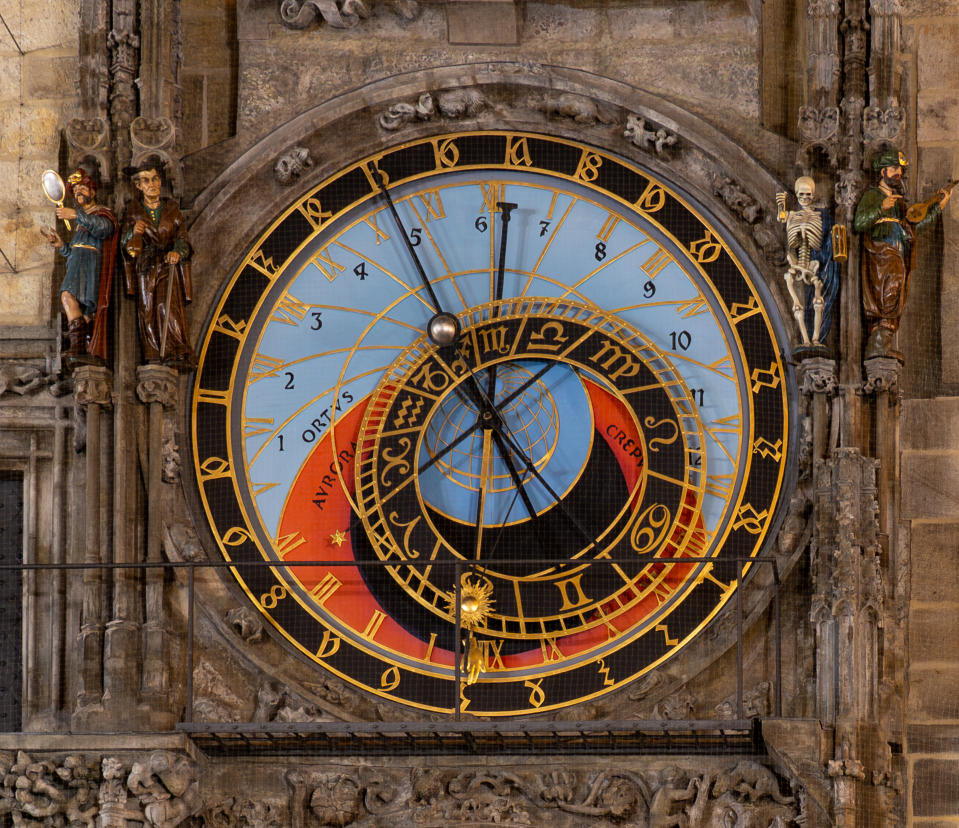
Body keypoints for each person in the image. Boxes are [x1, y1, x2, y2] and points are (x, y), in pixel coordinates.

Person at [854, 147, 951, 359]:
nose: (898, 172)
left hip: (898, 255)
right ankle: (877, 346)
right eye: (894, 168)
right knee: (886, 296)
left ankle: (882, 344)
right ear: (882, 172)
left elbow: (914, 226)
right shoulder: (872, 196)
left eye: (900, 169)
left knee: (896, 295)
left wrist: (938, 208)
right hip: (881, 254)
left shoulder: (899, 202)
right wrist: (880, 207)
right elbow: (859, 223)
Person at [121, 161, 196, 367]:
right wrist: (134, 232)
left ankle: (176, 348)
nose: (152, 184)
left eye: (154, 179)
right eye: (146, 181)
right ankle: (153, 351)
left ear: (160, 181)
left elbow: (182, 237)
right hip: (146, 267)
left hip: (167, 263)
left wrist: (177, 252)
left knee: (168, 305)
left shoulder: (172, 209)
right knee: (148, 308)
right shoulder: (134, 212)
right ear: (138, 186)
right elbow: (126, 246)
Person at [40, 169, 118, 359]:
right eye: (75, 191)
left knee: (67, 297)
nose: (78, 193)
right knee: (80, 310)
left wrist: (76, 215)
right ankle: (82, 347)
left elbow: (105, 229)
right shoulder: (81, 222)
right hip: (77, 264)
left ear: (93, 191)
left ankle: (78, 347)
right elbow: (74, 253)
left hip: (90, 266)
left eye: (82, 188)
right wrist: (60, 245)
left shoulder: (102, 214)